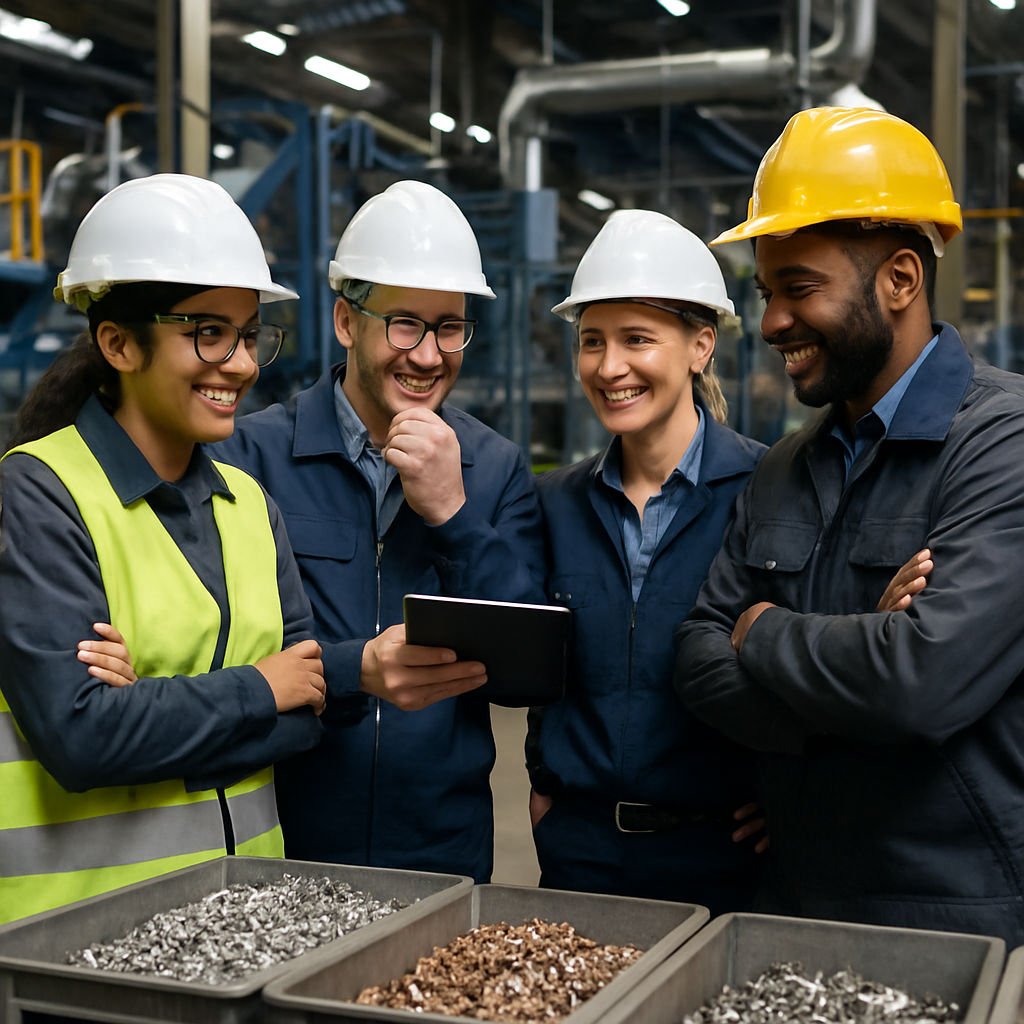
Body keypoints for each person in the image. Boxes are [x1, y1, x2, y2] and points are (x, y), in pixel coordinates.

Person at [674, 106, 1024, 944]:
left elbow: (920, 685)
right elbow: (693, 654)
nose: (768, 325)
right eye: (767, 293)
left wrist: (760, 633)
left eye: (799, 289)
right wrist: (856, 666)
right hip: (791, 896)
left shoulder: (1001, 443)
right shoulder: (783, 465)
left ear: (901, 279)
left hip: (954, 914)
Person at [0, 174, 326, 924]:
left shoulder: (252, 506)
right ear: (117, 342)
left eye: (249, 335)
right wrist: (254, 691)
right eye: (208, 333)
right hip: (85, 940)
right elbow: (81, 739)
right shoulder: (40, 493)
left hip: (247, 927)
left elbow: (306, 708)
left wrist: (149, 704)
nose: (242, 364)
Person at [213, 180, 545, 882]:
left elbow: (524, 673)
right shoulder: (250, 457)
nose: (428, 356)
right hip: (287, 838)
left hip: (443, 848)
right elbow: (222, 652)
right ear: (345, 321)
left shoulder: (493, 469)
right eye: (404, 324)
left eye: (449, 327)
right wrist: (351, 670)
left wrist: (452, 513)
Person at [525, 210, 767, 915]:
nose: (609, 367)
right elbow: (543, 665)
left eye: (637, 339)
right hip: (580, 852)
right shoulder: (556, 502)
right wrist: (546, 780)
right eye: (592, 341)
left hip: (723, 857)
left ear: (700, 345)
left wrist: (796, 799)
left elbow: (805, 670)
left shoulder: (769, 490)